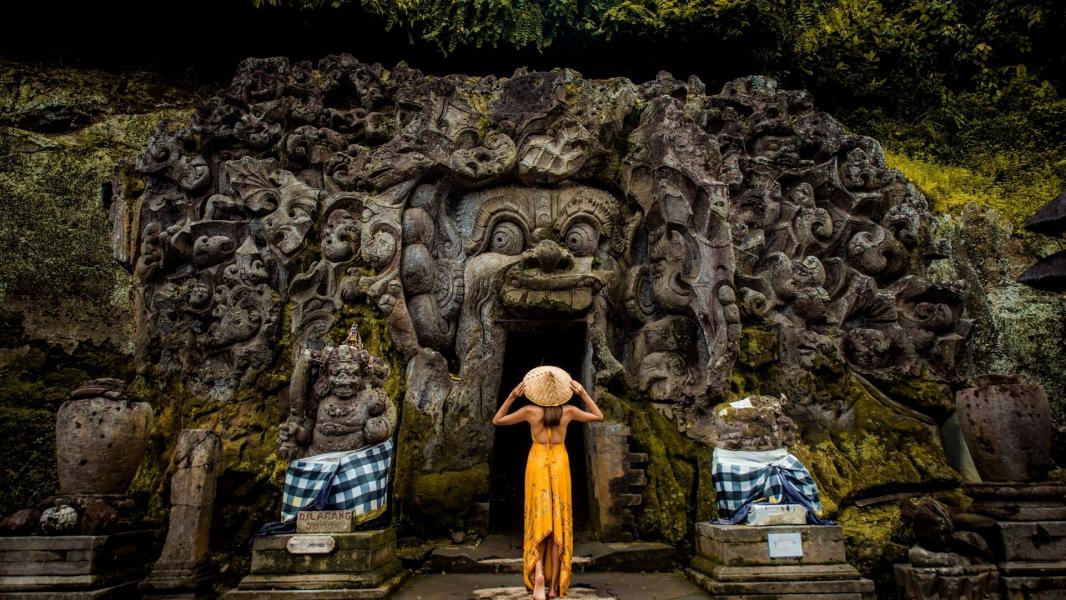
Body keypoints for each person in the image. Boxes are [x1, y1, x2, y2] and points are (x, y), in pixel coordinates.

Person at [492, 366, 604, 600]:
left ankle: (539, 574)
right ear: (562, 391)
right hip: (560, 465)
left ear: (536, 391)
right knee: (557, 523)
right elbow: (598, 416)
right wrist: (583, 393)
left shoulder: (529, 411)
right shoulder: (569, 411)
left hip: (537, 465)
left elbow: (497, 420)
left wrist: (512, 397)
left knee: (539, 519)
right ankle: (554, 587)